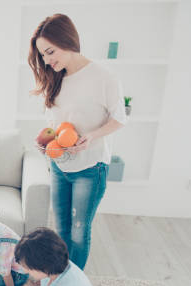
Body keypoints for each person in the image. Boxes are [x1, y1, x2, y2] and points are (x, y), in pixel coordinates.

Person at [29, 14, 127, 269]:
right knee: (61, 232)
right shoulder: (55, 79)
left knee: (78, 232)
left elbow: (120, 119)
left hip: (91, 168)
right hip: (60, 166)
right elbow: (55, 124)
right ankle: (59, 279)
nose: (48, 61)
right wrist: (45, 140)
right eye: (43, 56)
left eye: (50, 52)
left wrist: (91, 137)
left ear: (67, 40)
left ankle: (74, 285)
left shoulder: (103, 76)